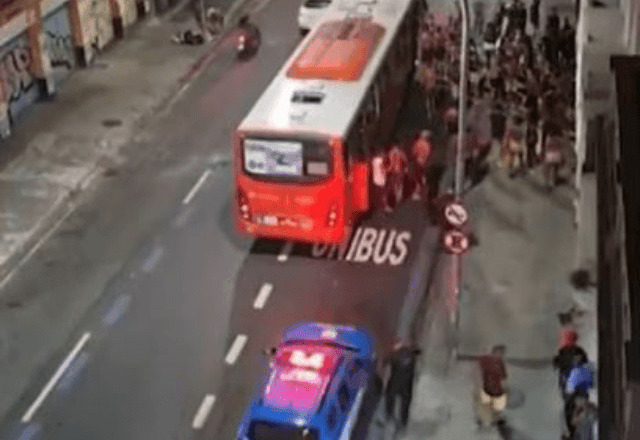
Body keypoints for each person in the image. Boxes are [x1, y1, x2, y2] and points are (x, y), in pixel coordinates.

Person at [384, 340, 422, 432]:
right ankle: (400, 423)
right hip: (404, 386)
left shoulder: (396, 355)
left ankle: (391, 419)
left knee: (393, 401)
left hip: (397, 384)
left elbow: (386, 361)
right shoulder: (410, 357)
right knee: (403, 405)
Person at [475, 345, 508, 427]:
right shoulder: (497, 359)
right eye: (502, 353)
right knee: (493, 401)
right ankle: (489, 419)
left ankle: (485, 419)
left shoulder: (484, 358)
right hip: (491, 386)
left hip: (490, 385)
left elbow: (504, 375)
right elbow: (504, 375)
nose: (502, 355)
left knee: (490, 402)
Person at [410, 130, 433, 201]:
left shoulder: (417, 143)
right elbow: (428, 155)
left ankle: (416, 193)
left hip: (417, 163)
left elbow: (413, 153)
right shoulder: (427, 145)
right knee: (420, 179)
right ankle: (417, 192)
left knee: (417, 179)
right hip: (423, 164)